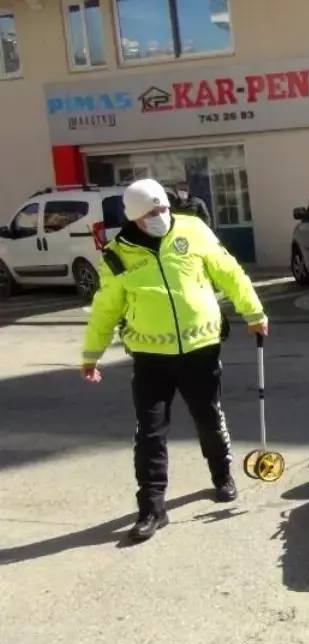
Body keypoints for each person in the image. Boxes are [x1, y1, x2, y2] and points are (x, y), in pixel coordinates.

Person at [81, 178, 268, 543]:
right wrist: (91, 355)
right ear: (135, 217)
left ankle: (221, 476)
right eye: (152, 212)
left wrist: (254, 312)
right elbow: (105, 308)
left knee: (209, 417)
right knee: (149, 433)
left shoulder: (193, 229)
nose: (162, 216)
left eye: (164, 208)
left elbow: (228, 271)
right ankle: (151, 508)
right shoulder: (118, 255)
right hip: (151, 357)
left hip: (202, 347)